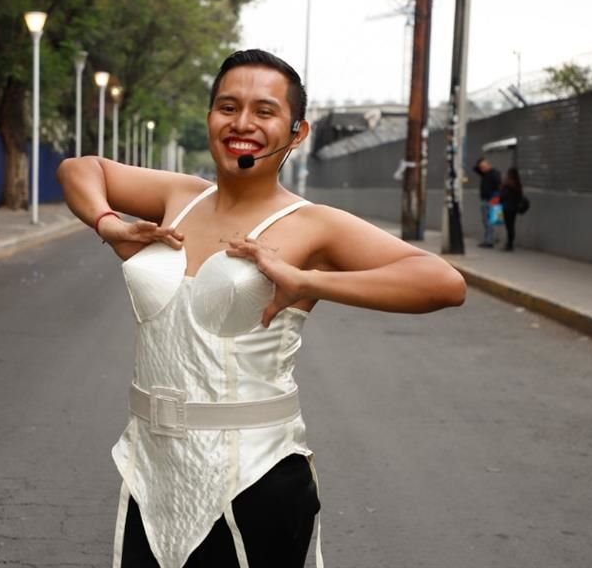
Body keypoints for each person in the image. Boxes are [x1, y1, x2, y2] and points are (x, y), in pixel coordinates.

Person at [56, 49, 466, 568]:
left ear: (297, 133)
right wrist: (108, 222)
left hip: (255, 478)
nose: (242, 123)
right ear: (209, 117)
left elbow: (443, 283)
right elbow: (79, 168)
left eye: (264, 111)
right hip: (152, 469)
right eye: (227, 107)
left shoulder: (311, 224)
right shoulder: (179, 196)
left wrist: (308, 279)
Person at [472, 157, 501, 248]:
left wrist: (495, 200)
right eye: (481, 167)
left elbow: (498, 186)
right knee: (486, 221)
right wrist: (480, 162)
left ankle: (489, 241)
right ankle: (488, 239)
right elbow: (475, 169)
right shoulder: (484, 174)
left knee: (490, 221)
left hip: (492, 200)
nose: (483, 168)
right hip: (485, 200)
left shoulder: (494, 173)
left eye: (484, 166)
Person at [498, 167, 526, 252]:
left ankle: (509, 244)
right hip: (513, 208)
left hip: (507, 207)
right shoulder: (518, 185)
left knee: (509, 226)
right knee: (511, 226)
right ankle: (510, 243)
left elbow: (503, 196)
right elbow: (520, 196)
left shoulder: (507, 184)